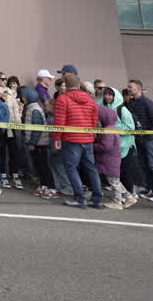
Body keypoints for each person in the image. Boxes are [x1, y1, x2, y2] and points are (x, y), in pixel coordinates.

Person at [53, 73, 104, 209]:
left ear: (66, 85)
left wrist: (57, 138)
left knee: (71, 168)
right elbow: (94, 120)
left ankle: (80, 198)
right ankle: (97, 200)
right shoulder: (90, 99)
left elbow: (59, 121)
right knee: (91, 169)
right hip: (87, 138)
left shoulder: (62, 99)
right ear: (78, 84)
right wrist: (92, 135)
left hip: (71, 139)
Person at [125, 79, 153, 203]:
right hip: (139, 139)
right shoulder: (132, 102)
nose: (128, 89)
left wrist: (149, 136)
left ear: (138, 88)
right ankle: (151, 189)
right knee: (144, 165)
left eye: (130, 87)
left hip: (149, 139)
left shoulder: (147, 103)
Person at [97, 87, 136, 209]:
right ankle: (128, 196)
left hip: (122, 146)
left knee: (119, 174)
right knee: (116, 175)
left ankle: (120, 199)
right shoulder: (105, 107)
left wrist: (111, 127)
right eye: (106, 95)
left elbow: (130, 127)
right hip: (114, 146)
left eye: (111, 95)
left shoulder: (122, 109)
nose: (108, 97)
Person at [20, 87, 53, 196]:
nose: (22, 98)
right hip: (38, 143)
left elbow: (37, 128)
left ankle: (51, 187)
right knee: (39, 166)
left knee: (43, 166)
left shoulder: (34, 109)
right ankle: (43, 186)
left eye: (24, 96)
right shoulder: (32, 107)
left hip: (39, 144)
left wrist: (32, 143)